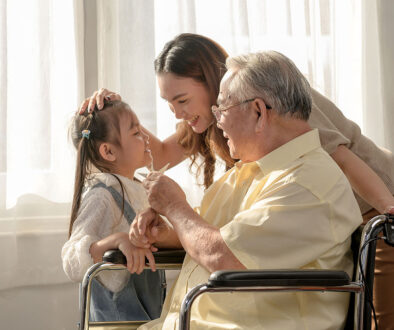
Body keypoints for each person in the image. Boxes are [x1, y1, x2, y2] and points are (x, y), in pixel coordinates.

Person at [80, 33, 394, 327]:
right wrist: (116, 112)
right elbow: (160, 156)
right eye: (169, 104)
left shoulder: (297, 141)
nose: (177, 112)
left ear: (257, 111)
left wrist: (387, 213)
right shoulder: (247, 162)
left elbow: (343, 161)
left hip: (377, 198)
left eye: (182, 100)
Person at [129, 50, 363, 329]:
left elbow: (223, 256)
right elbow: (206, 234)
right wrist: (166, 231)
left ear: (258, 112)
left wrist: (174, 207)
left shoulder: (308, 181)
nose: (218, 120)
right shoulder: (245, 174)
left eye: (222, 109)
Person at [61, 100, 165, 322]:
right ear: (108, 151)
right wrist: (117, 241)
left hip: (148, 316)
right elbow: (72, 258)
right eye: (137, 132)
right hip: (115, 321)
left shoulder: (138, 189)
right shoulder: (102, 196)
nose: (147, 138)